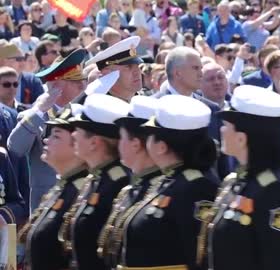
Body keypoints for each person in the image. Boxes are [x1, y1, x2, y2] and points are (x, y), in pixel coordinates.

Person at [115, 95, 219, 269]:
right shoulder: (169, 181)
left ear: (162, 146)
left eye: (150, 135)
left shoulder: (196, 187)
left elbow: (199, 257)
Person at [199, 85, 280, 270]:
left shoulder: (271, 192)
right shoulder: (235, 182)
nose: (221, 131)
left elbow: (279, 261)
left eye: (226, 126)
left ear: (241, 139)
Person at [7, 48, 88, 211]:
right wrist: (39, 111)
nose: (82, 85)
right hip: (48, 205)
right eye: (74, 81)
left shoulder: (85, 113)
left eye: (82, 79)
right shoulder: (35, 116)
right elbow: (15, 147)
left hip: (81, 201)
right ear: (56, 84)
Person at [60, 94, 131, 270]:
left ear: (94, 142)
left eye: (79, 131)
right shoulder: (95, 179)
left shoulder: (118, 183)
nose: (73, 135)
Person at [18, 106, 89, 270]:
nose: (46, 140)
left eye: (56, 136)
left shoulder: (82, 193)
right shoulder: (61, 189)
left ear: (77, 146)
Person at [97, 95, 162, 268]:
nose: (118, 144)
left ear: (135, 144)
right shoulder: (132, 188)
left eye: (122, 137)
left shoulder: (162, 189)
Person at [84, 36, 144, 102]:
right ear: (107, 72)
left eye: (137, 65)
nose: (137, 72)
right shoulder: (101, 107)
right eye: (128, 66)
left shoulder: (144, 102)